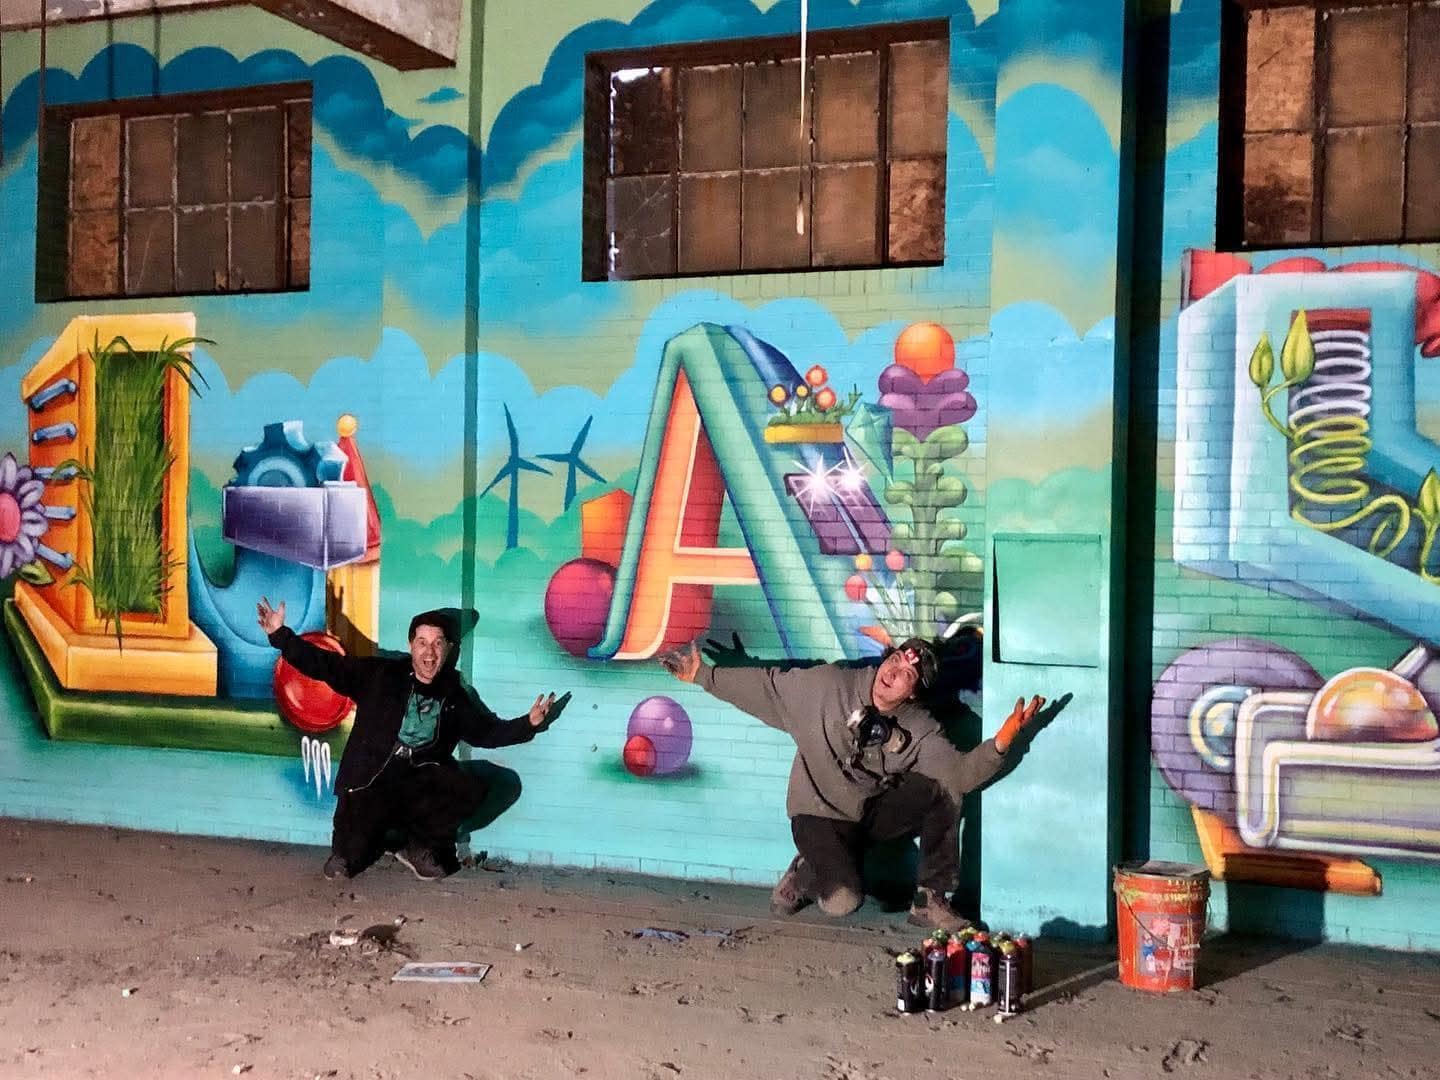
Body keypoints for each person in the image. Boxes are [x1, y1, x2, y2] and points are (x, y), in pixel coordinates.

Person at [660, 637, 1044, 930]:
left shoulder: (918, 728)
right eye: (893, 661)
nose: (892, 674)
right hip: (817, 811)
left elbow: (959, 776)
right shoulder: (829, 687)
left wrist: (1003, 741)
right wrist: (703, 675)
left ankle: (929, 899)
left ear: (914, 693)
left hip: (866, 815)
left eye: (906, 675)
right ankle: (806, 871)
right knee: (843, 901)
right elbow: (768, 687)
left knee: (942, 791)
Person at [257, 598, 563, 882]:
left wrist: (529, 724)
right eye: (422, 643)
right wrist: (279, 635)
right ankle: (354, 846)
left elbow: (486, 732)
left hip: (419, 781)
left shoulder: (454, 694)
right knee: (349, 860)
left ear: (448, 649)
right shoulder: (380, 675)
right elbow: (325, 665)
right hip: (371, 778)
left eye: (437, 644)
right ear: (411, 646)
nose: (429, 653)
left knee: (466, 786)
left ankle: (418, 846)